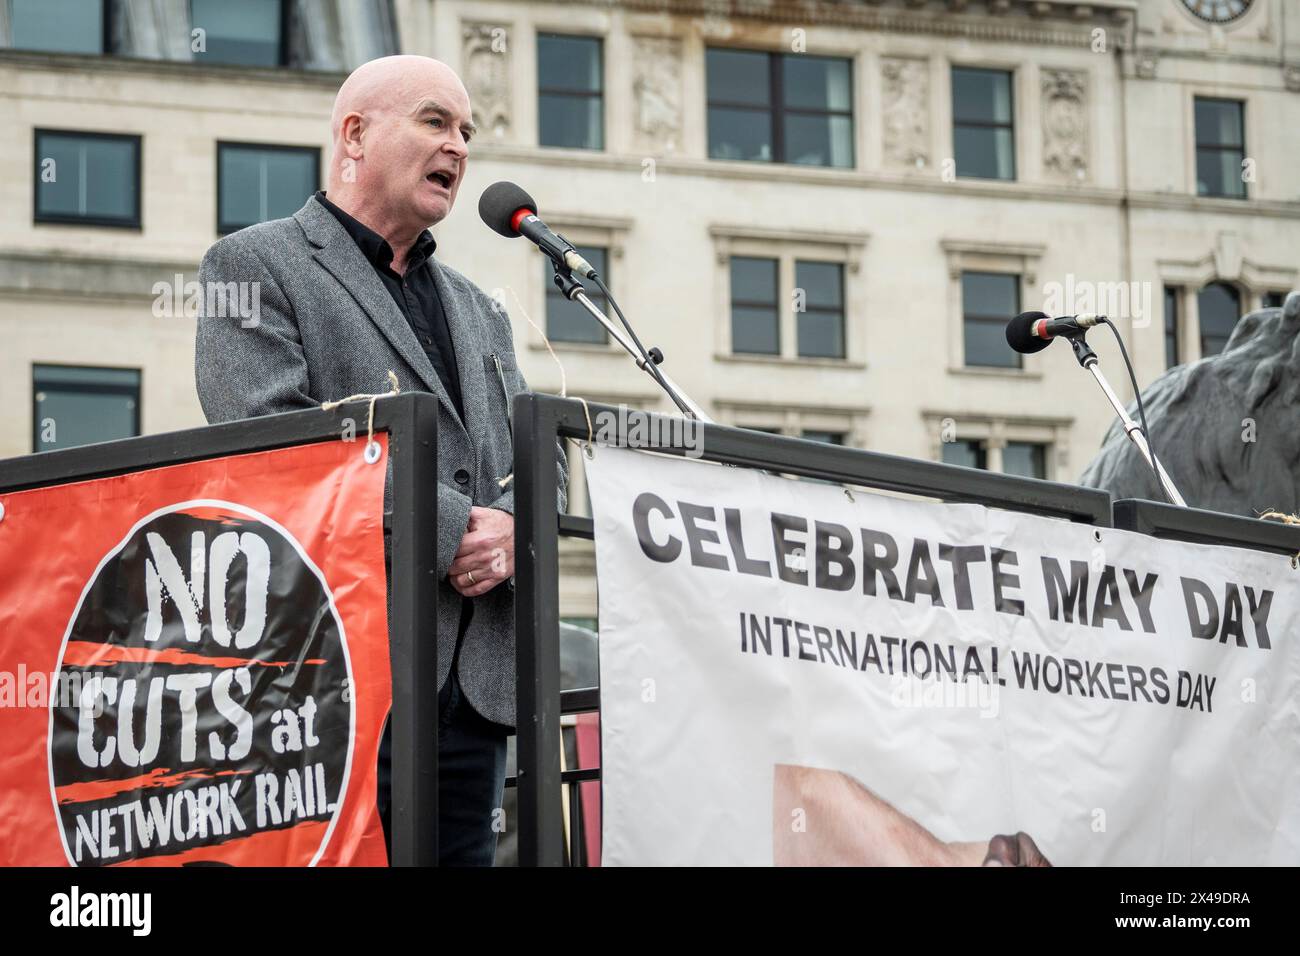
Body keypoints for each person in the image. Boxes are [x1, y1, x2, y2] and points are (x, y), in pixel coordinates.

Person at [194, 54, 567, 865]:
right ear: (355, 135)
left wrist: (511, 527)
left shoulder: (480, 311)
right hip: (334, 682)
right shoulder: (254, 266)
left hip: (471, 690)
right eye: (436, 121)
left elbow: (544, 461)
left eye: (468, 131)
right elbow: (273, 440)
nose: (460, 147)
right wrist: (452, 529)